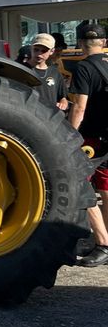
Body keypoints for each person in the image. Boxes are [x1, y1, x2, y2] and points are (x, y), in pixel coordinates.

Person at [68, 23, 108, 266]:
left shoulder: (83, 67)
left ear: (81, 43)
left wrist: (69, 137)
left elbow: (79, 107)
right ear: (104, 42)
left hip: (92, 138)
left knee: (81, 185)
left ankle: (103, 242)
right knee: (105, 186)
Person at [30, 34, 68, 110]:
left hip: (49, 117)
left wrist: (63, 103)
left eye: (44, 51)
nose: (39, 54)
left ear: (51, 51)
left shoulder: (55, 72)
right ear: (31, 48)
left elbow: (63, 97)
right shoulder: (22, 70)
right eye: (36, 49)